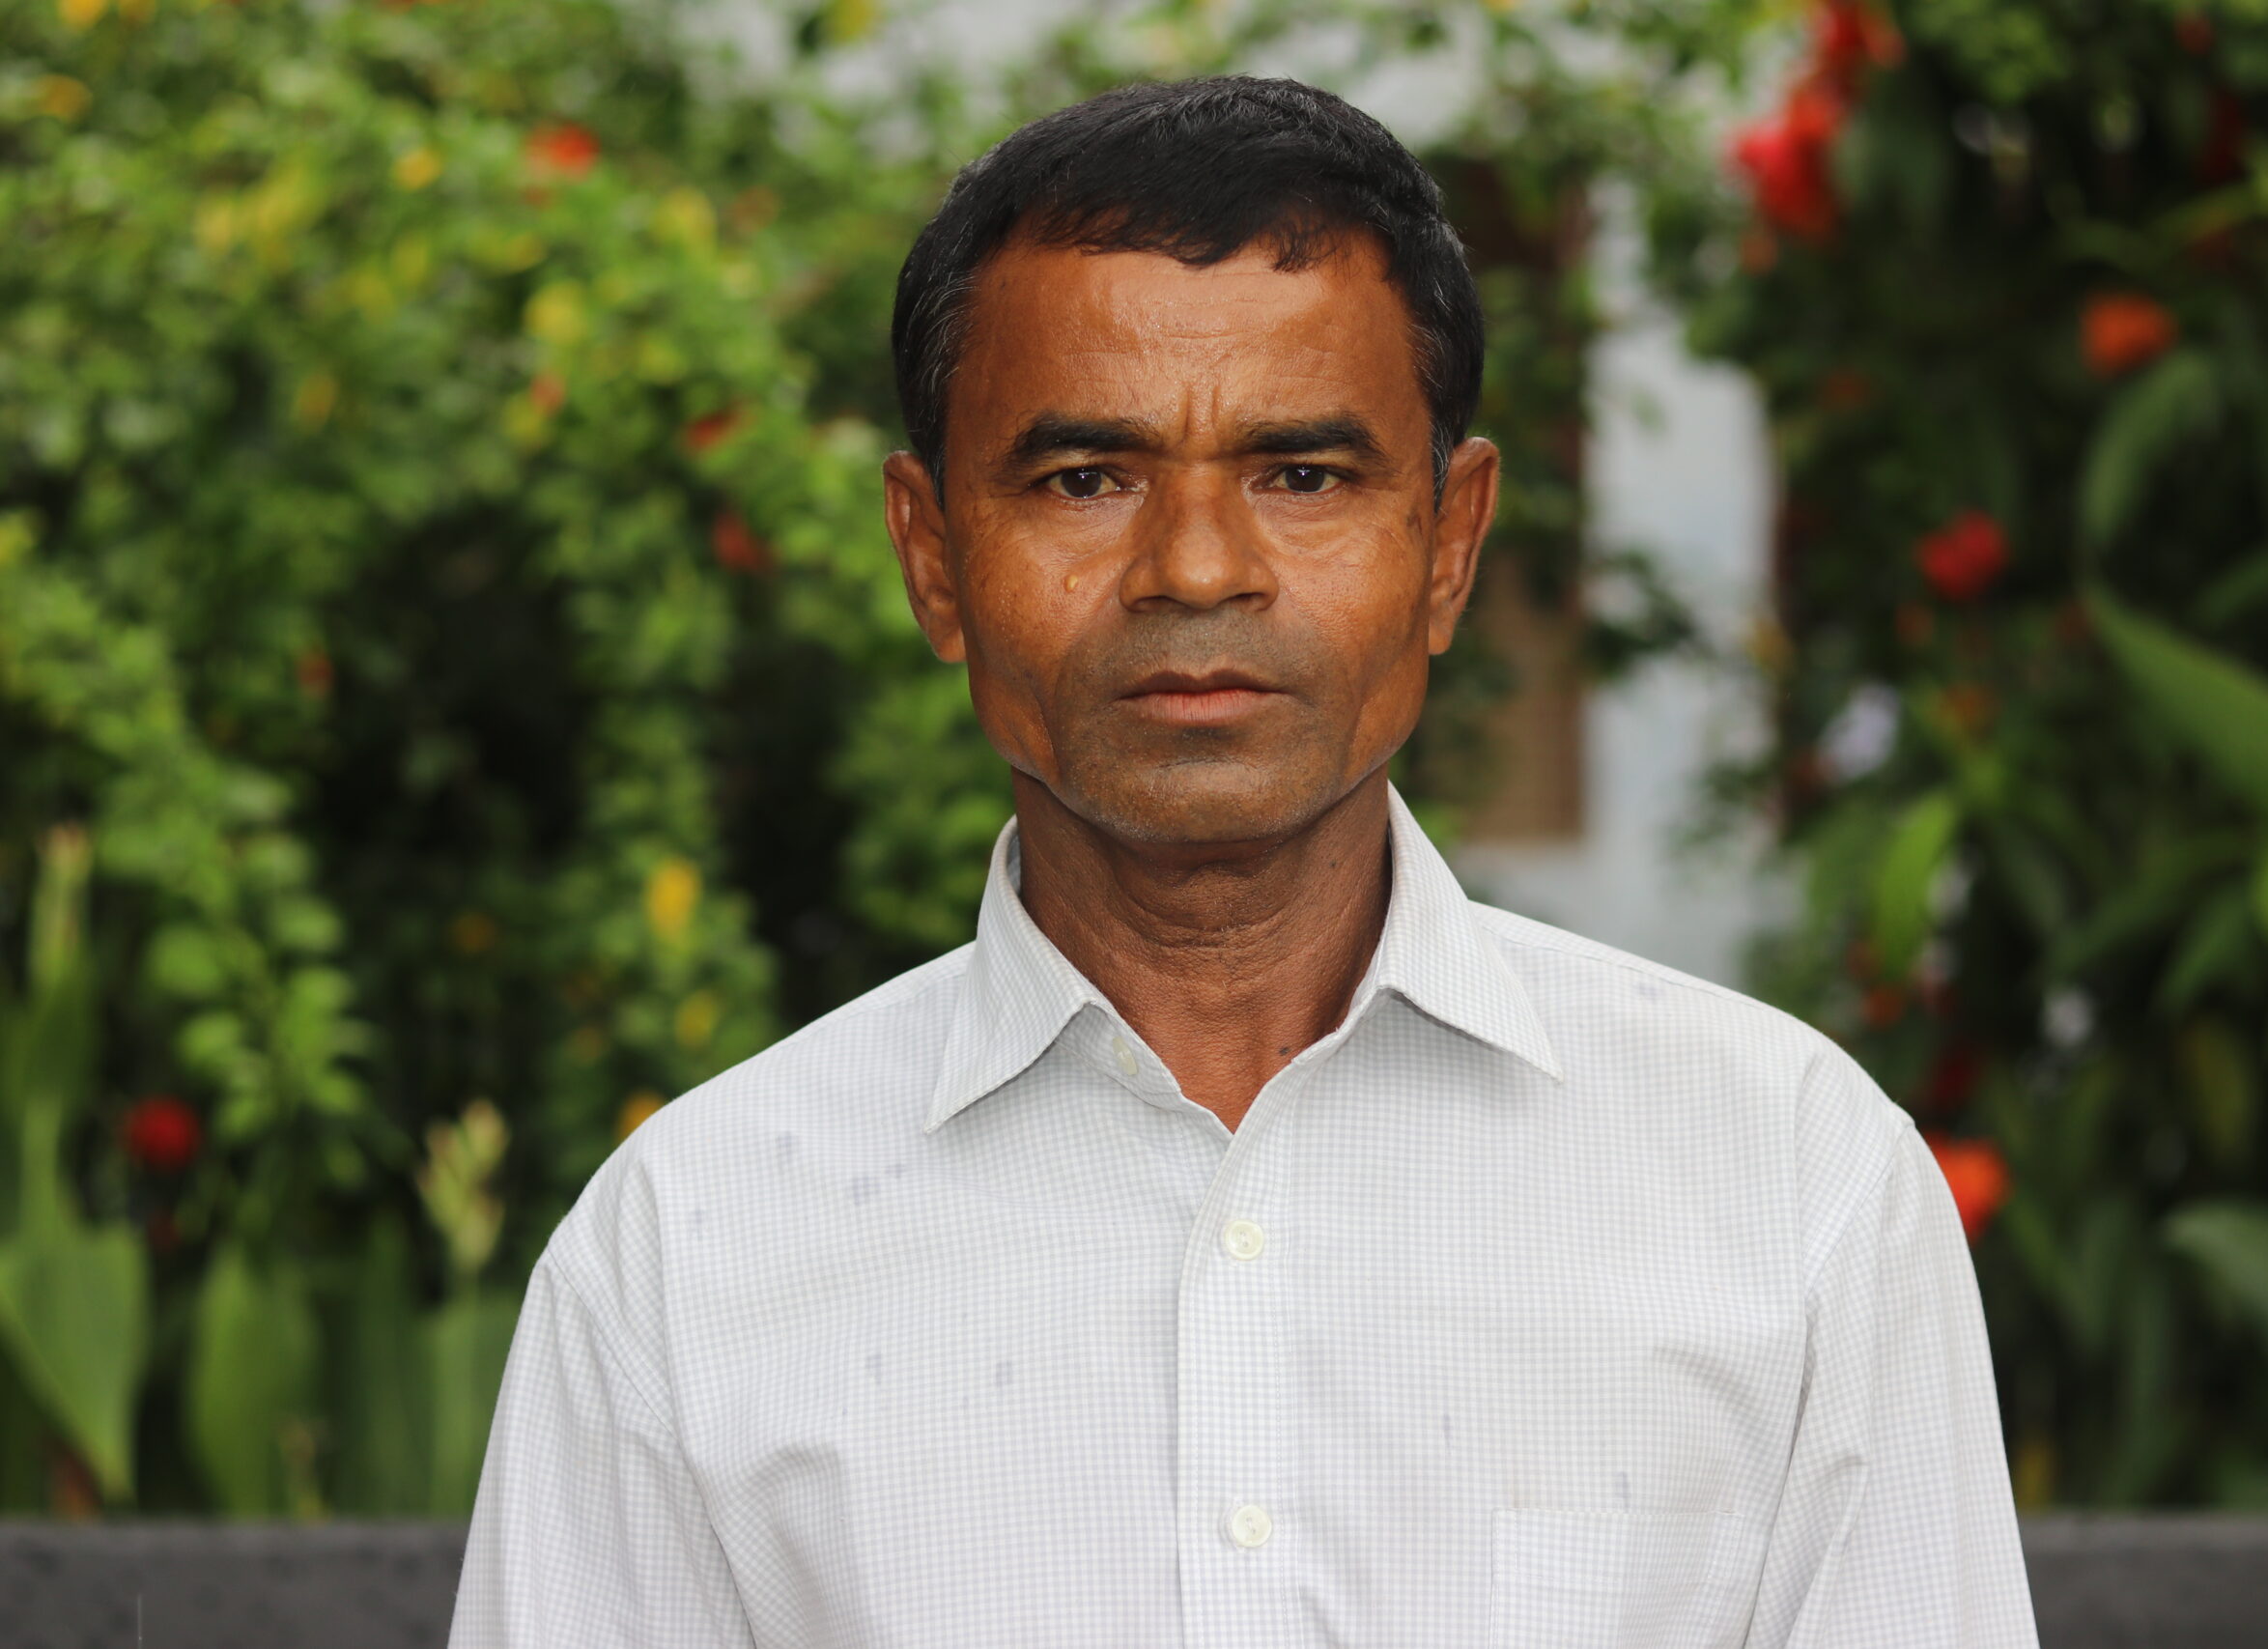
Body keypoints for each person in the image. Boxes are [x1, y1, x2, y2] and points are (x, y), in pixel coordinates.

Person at [449, 75, 2039, 1649]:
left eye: (1303, 475)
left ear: (1451, 544)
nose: (1198, 568)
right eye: (1087, 479)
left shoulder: (1787, 1186)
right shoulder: (688, 1256)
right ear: (933, 557)